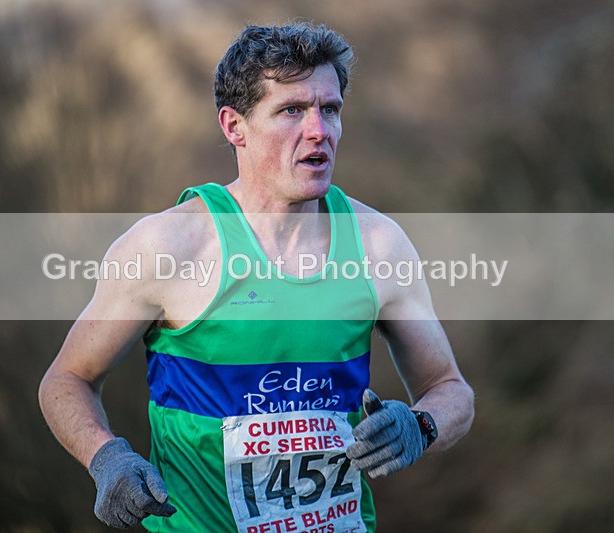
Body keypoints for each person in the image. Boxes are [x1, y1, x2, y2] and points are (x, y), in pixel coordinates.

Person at [39, 22, 474, 532]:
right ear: (234, 125)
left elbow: (451, 390)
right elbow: (66, 380)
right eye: (292, 110)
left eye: (329, 109)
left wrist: (419, 427)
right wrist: (105, 457)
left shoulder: (379, 245)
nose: (319, 131)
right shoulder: (167, 247)